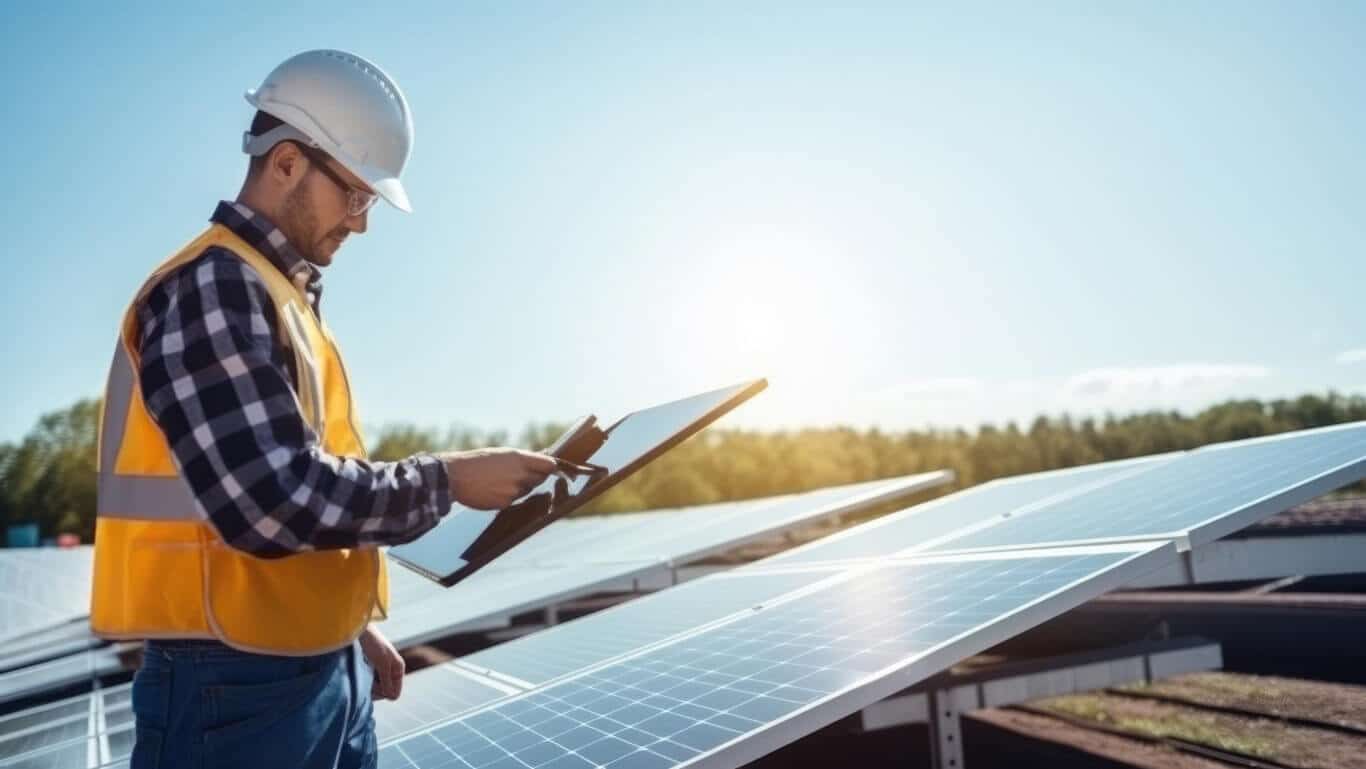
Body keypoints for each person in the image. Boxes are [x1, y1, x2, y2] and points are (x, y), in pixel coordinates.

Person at [89, 49, 557, 769]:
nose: (362, 224)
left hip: (307, 668)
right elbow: (272, 499)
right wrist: (450, 478)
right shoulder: (212, 287)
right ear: (285, 163)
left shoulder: (279, 298)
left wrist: (345, 630)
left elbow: (310, 491)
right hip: (230, 690)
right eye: (357, 195)